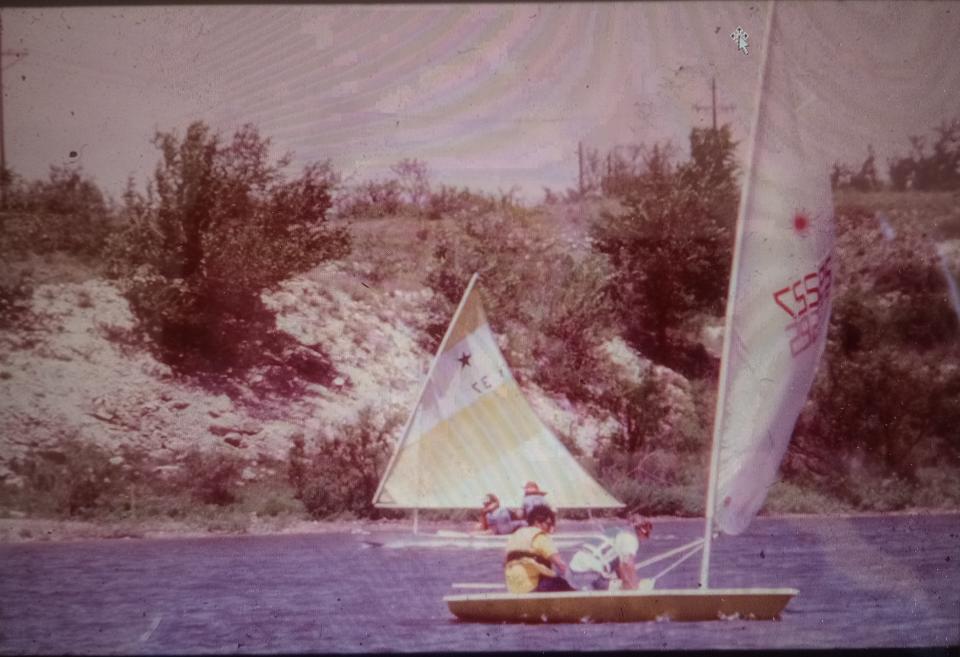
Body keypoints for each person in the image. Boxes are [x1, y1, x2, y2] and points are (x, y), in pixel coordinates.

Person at [503, 505, 575, 593]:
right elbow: (561, 565)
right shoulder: (539, 536)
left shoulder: (516, 534)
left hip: (514, 588)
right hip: (533, 587)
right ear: (537, 522)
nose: (550, 529)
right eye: (548, 524)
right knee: (563, 584)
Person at [570, 515, 653, 591]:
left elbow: (618, 566)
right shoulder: (630, 538)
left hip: (574, 569)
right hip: (590, 572)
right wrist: (635, 587)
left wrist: (624, 582)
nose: (647, 537)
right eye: (647, 533)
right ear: (640, 530)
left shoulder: (614, 531)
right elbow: (627, 564)